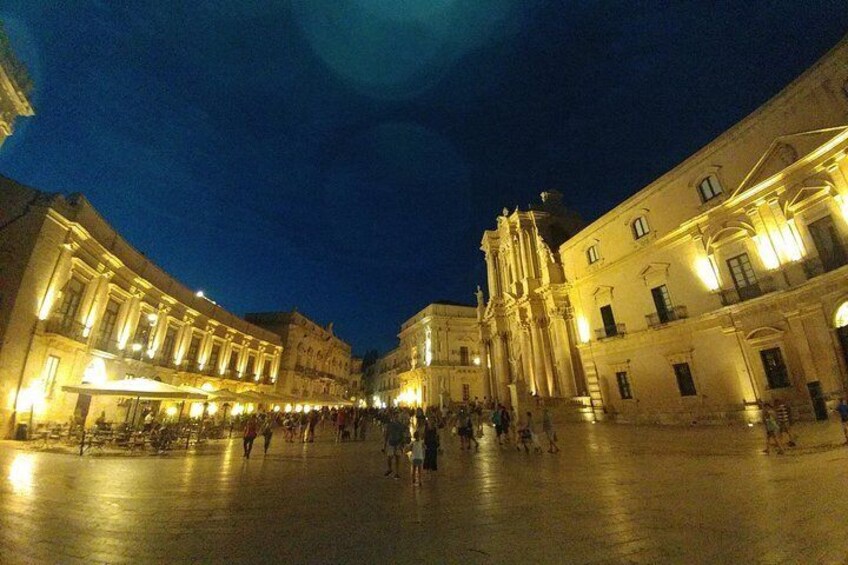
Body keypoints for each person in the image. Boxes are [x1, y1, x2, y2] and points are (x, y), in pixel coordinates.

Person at [383, 412, 405, 479]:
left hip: (398, 443)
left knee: (397, 458)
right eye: (395, 416)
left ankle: (397, 472)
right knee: (389, 457)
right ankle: (390, 469)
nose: (396, 418)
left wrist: (402, 444)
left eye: (397, 416)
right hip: (391, 442)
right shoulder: (390, 425)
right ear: (393, 417)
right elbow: (387, 434)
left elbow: (402, 435)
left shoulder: (400, 425)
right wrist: (385, 444)